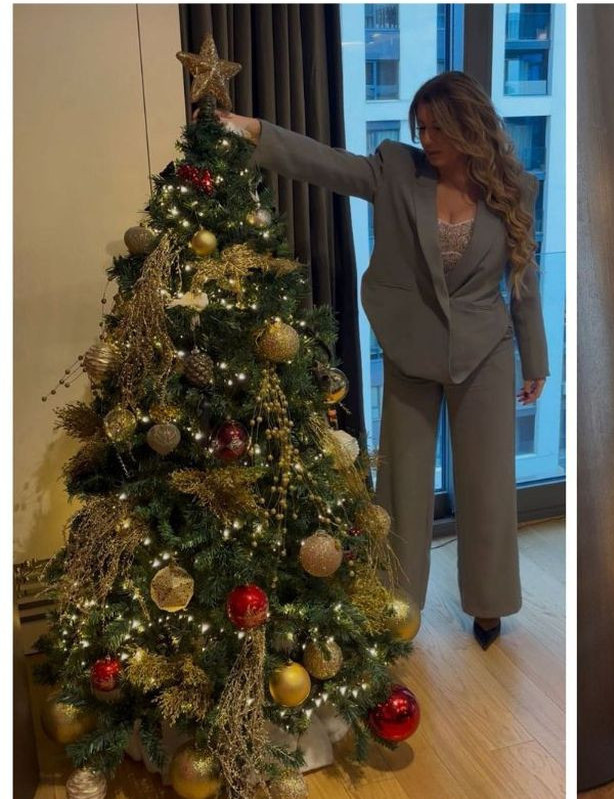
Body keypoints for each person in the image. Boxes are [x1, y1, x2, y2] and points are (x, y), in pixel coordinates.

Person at [218, 71, 549, 649]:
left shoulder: (514, 187)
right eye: (421, 127)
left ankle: (489, 604)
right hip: (410, 348)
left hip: (486, 352)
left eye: (437, 128)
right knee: (401, 488)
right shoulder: (398, 169)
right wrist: (253, 131)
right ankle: (395, 607)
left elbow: (524, 279)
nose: (426, 139)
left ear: (469, 126)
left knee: (488, 485)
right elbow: (327, 164)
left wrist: (535, 359)